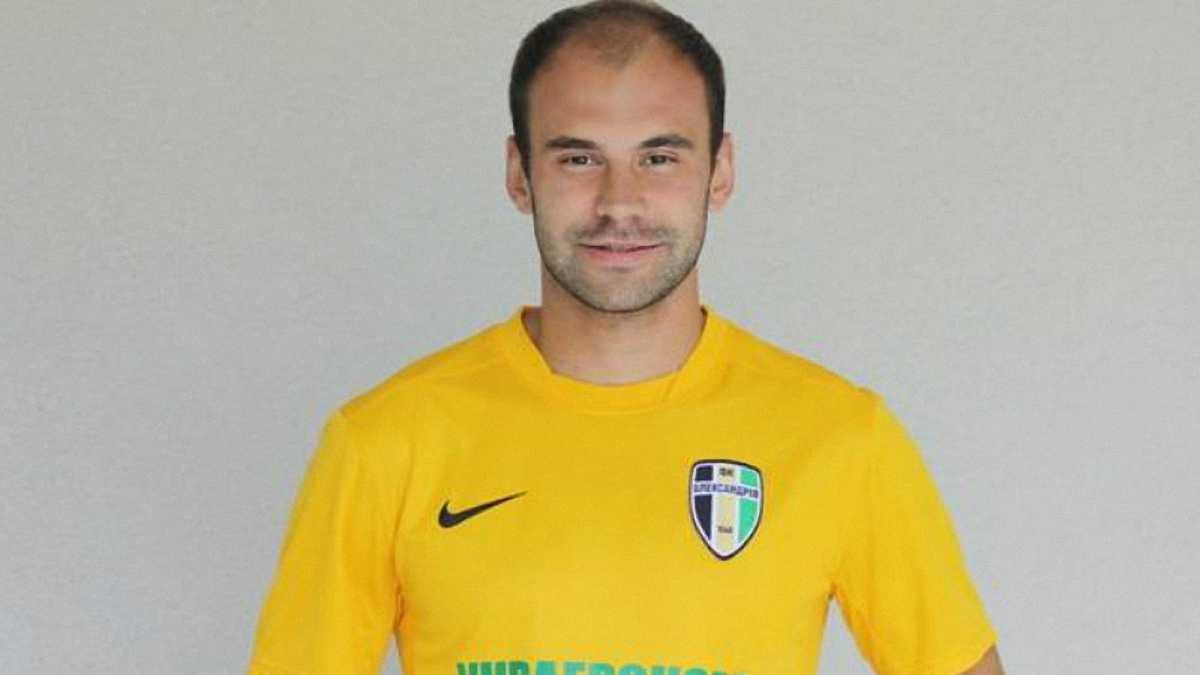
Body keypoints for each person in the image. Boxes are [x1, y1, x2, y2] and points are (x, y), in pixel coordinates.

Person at [246, 1, 1005, 673]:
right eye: (579, 158)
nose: (620, 202)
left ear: (720, 172)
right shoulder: (383, 443)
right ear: (519, 175)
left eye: (659, 157)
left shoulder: (841, 438)